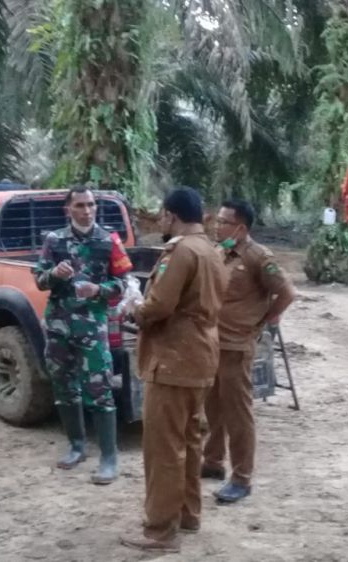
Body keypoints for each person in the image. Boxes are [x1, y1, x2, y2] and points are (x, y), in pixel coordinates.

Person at [120, 187, 226, 553]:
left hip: (172, 359)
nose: (161, 220)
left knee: (164, 447)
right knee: (190, 439)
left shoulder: (180, 251)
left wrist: (134, 308)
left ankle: (160, 531)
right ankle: (188, 514)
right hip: (200, 357)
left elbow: (160, 305)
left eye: (162, 215)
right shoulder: (211, 250)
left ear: (170, 215)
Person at [33, 186, 132, 485]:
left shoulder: (108, 240)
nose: (87, 210)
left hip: (92, 326)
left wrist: (99, 290)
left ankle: (108, 457)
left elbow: (123, 283)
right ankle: (76, 446)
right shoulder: (54, 240)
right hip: (59, 325)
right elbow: (39, 280)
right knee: (64, 386)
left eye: (90, 205)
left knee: (100, 390)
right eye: (80, 205)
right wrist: (54, 275)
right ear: (68, 209)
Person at [201, 199, 296, 504]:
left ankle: (242, 478)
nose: (217, 226)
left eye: (224, 221)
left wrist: (264, 321)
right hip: (214, 343)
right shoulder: (221, 252)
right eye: (217, 220)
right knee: (213, 405)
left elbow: (287, 292)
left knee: (238, 413)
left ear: (240, 227)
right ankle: (213, 461)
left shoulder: (258, 256)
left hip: (237, 346)